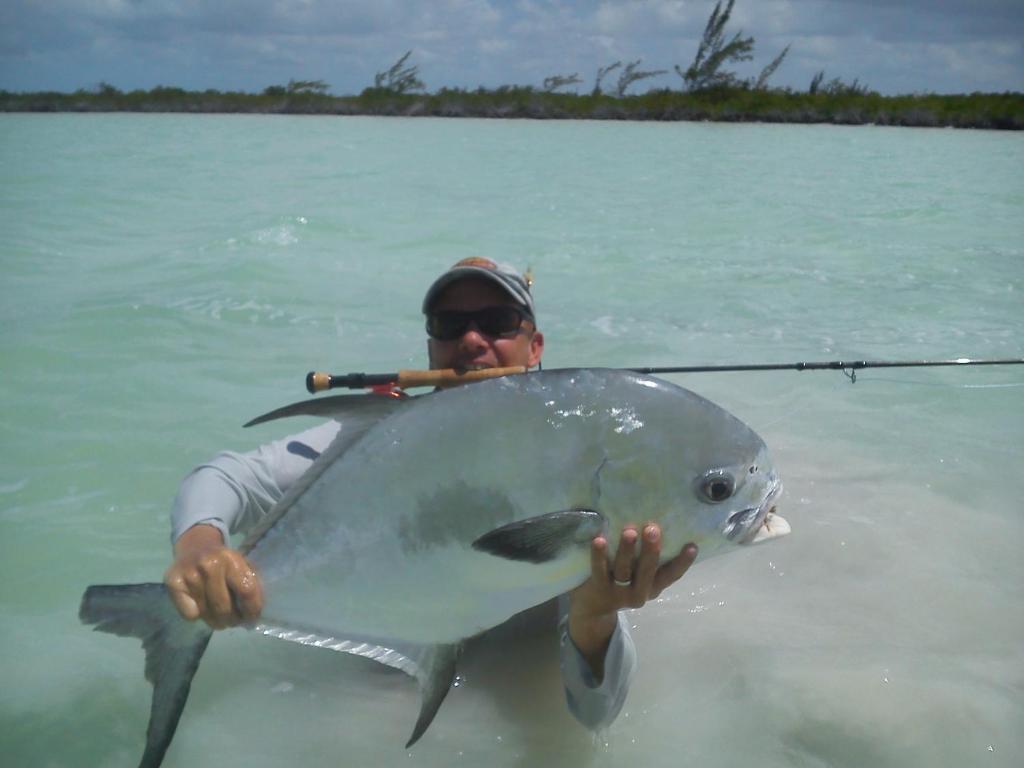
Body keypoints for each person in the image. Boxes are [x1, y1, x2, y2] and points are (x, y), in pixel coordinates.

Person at [164, 257, 698, 730]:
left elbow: (593, 717)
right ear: (431, 346)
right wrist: (200, 547)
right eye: (450, 325)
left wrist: (595, 615)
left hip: (503, 683)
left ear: (535, 346)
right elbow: (223, 477)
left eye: (496, 323)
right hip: (375, 697)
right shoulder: (381, 441)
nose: (471, 340)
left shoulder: (577, 463)